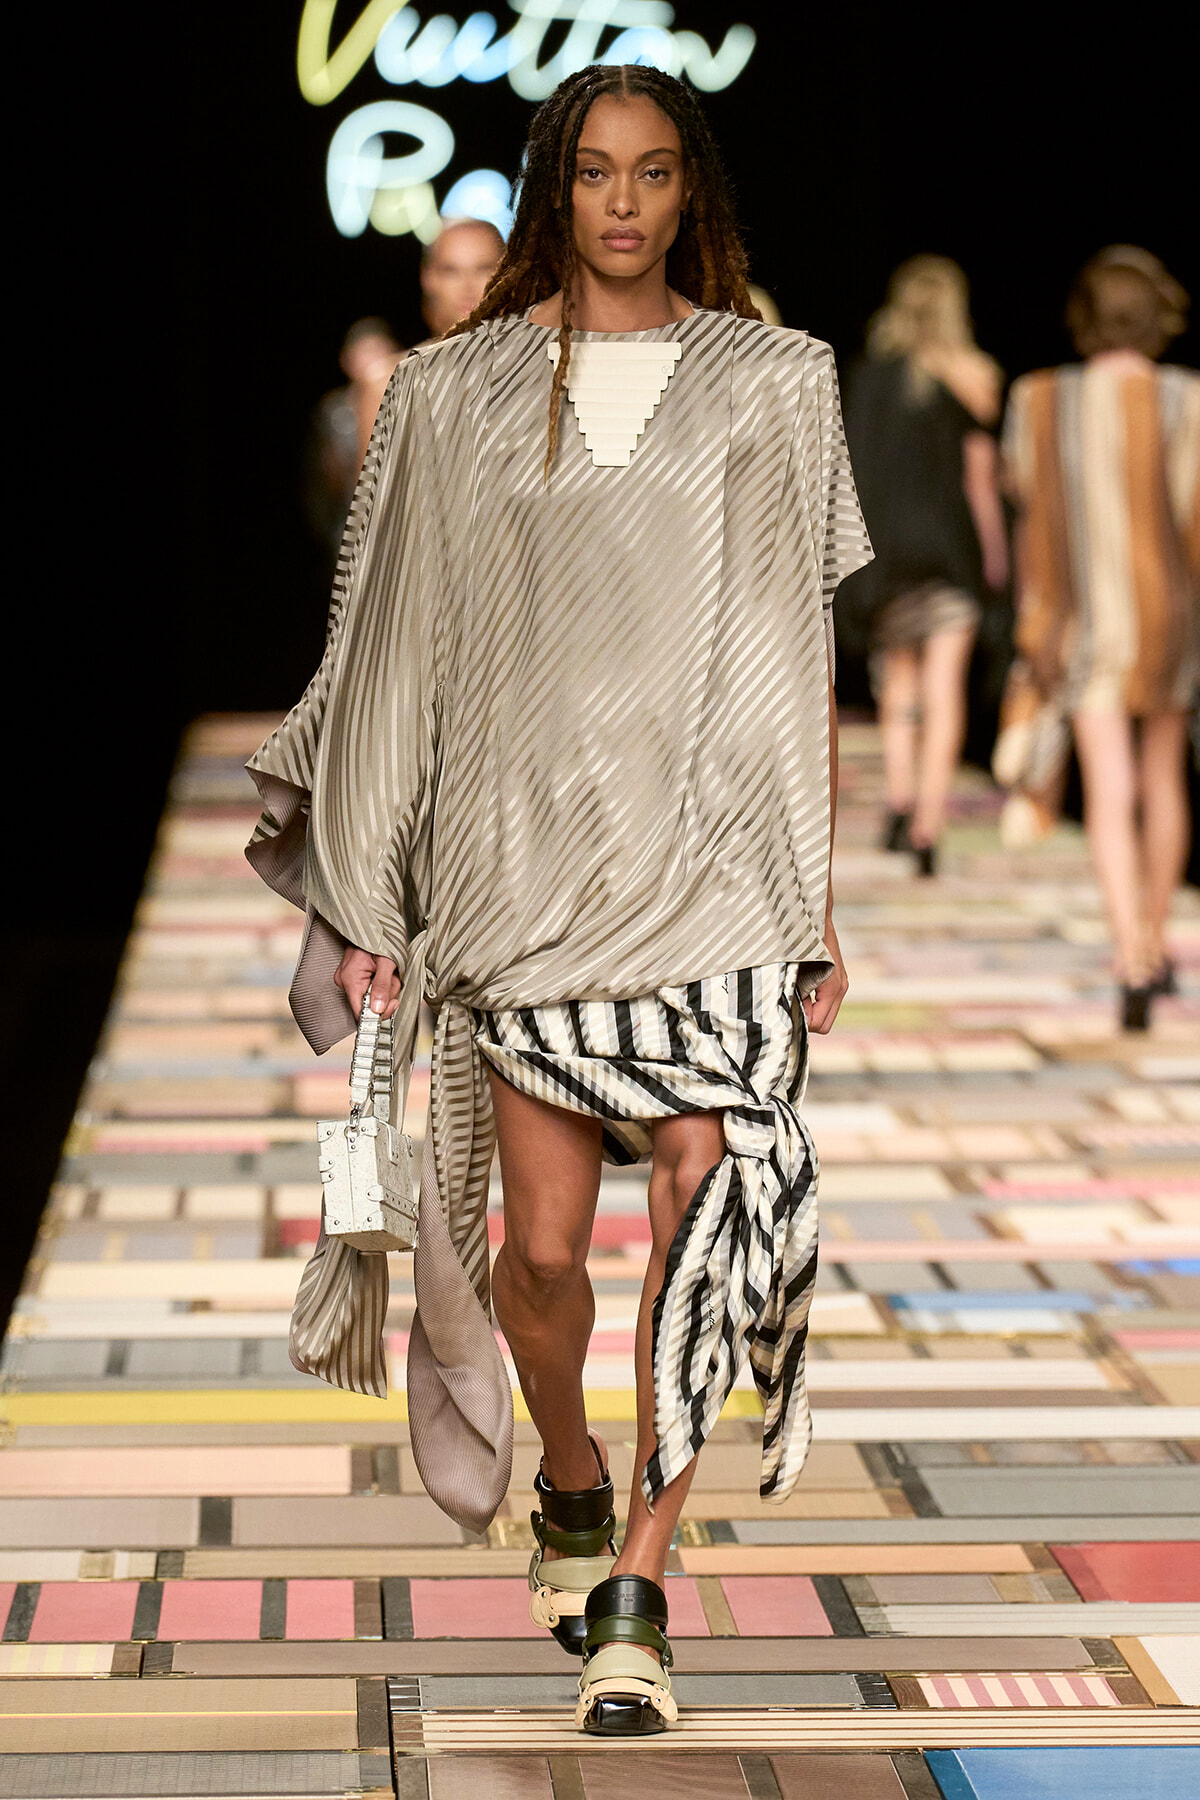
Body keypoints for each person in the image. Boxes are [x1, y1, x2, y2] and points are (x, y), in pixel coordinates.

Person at [246, 64, 869, 1736]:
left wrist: (814, 898)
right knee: (536, 1263)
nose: (620, 203)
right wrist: (368, 888)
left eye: (654, 174)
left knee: (699, 1216)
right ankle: (574, 1473)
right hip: (524, 874)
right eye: (593, 173)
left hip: (718, 868)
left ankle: (639, 1592)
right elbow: (391, 643)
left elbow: (797, 649)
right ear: (552, 193)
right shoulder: (454, 400)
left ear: (693, 196)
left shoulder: (775, 384)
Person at [1001, 247, 1199, 1031]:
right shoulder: (1186, 399)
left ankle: (1130, 956)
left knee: (1109, 789)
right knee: (1163, 781)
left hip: (1079, 617)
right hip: (1169, 617)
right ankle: (1154, 938)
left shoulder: (1038, 398)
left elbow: (1025, 506)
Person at [843, 256, 1009, 875]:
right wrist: (996, 558)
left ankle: (899, 795)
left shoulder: (870, 378)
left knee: (900, 681)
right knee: (944, 687)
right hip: (948, 553)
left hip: (884, 554)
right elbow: (981, 476)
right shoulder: (970, 379)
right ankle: (928, 824)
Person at [304, 318, 404, 559]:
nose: (372, 361)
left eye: (380, 351)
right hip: (349, 514)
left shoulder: (402, 399)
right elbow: (326, 476)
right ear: (346, 360)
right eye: (364, 352)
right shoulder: (335, 410)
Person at [417, 216, 506, 341]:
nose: (467, 286)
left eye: (483, 269)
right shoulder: (403, 360)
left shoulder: (536, 356)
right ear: (428, 278)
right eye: (451, 271)